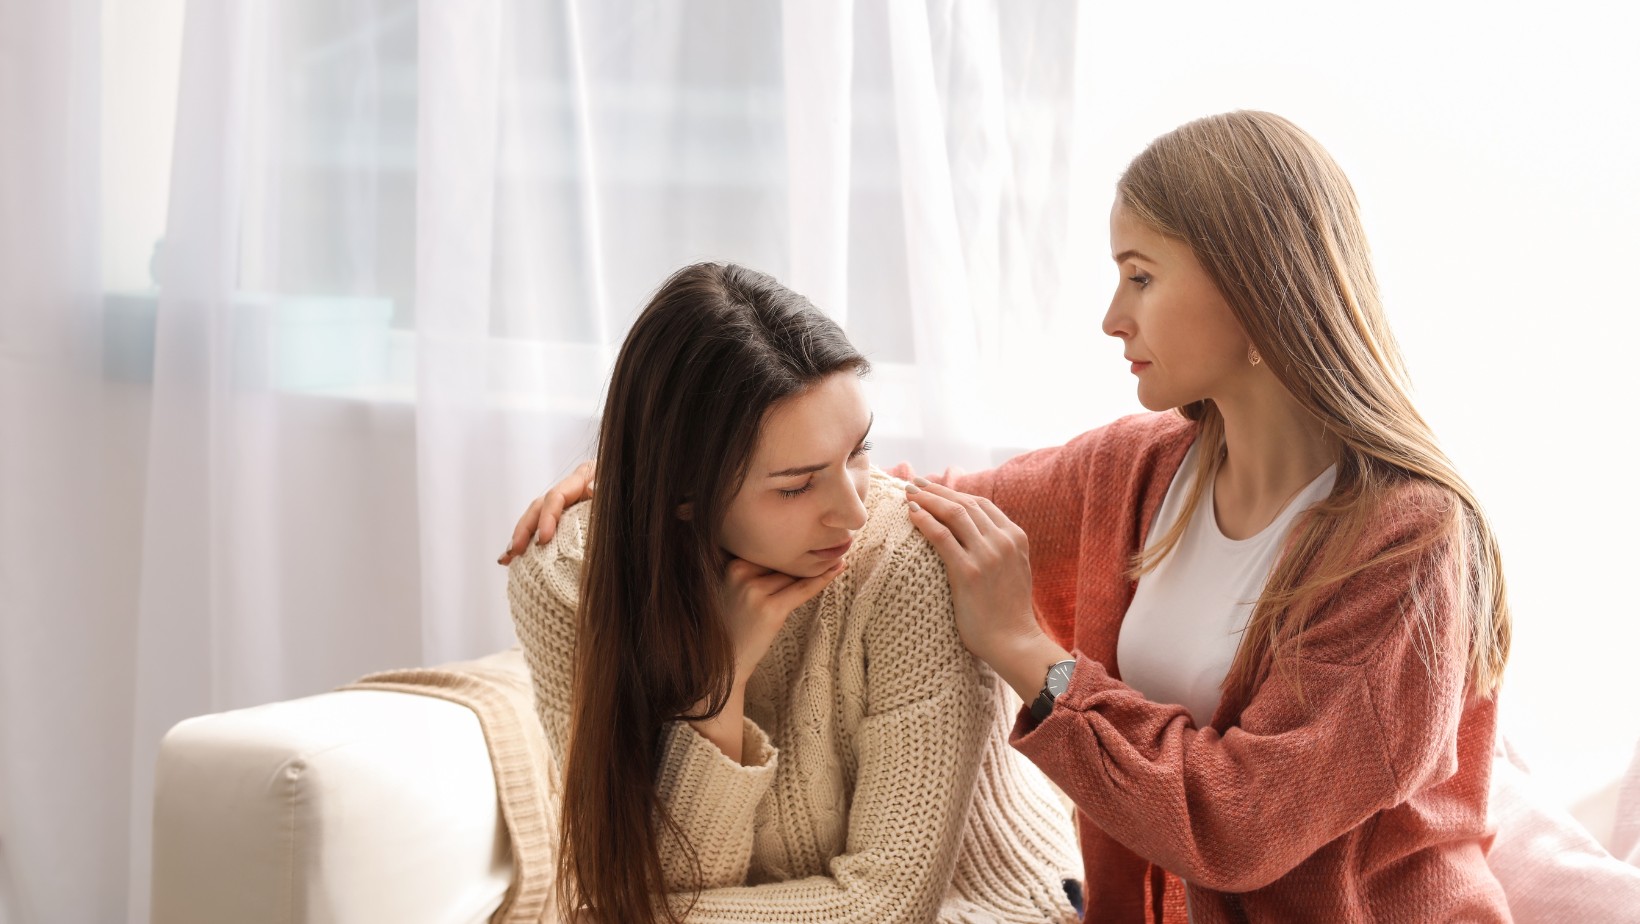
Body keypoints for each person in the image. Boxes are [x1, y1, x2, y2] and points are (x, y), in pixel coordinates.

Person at [506, 112, 1516, 920]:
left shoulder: (1410, 544)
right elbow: (908, 507)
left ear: (1257, 292)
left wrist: (1033, 659)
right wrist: (656, 473)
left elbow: (1240, 823)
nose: (1112, 317)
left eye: (1139, 276)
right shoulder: (1135, 471)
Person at [504, 262, 1079, 924]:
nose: (852, 513)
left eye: (858, 451)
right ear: (683, 493)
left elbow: (888, 905)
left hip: (976, 908)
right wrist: (718, 683)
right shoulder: (565, 577)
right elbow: (658, 880)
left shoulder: (906, 565)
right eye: (797, 486)